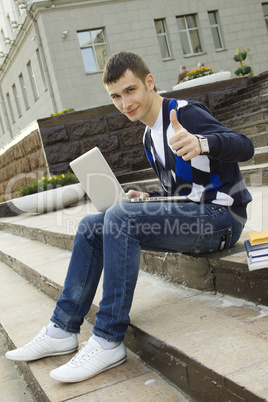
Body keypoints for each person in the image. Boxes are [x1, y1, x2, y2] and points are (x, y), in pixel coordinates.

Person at [5, 51, 254, 383]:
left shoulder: (185, 114)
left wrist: (203, 143)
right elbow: (180, 193)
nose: (125, 103)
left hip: (222, 219)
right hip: (194, 217)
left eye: (131, 90)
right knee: (92, 225)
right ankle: (62, 329)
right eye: (116, 96)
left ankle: (108, 338)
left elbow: (246, 145)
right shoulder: (149, 137)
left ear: (149, 83)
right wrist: (149, 198)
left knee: (120, 217)